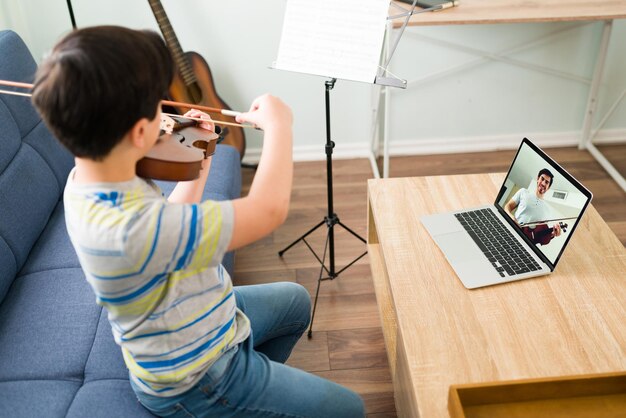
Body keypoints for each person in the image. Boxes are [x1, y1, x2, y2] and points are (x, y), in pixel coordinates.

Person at [32, 26, 365, 418]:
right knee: (350, 409)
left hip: (205, 314)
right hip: (198, 377)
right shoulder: (130, 230)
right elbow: (267, 211)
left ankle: (259, 403)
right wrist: (280, 127)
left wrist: (202, 155)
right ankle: (239, 400)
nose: (165, 117)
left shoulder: (90, 176)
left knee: (294, 303)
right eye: (158, 109)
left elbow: (170, 219)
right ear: (139, 132)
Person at [504, 168, 561, 239]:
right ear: (537, 179)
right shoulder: (523, 192)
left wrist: (552, 234)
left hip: (526, 241)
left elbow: (540, 236)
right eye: (542, 179)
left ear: (548, 187)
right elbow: (507, 206)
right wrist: (511, 217)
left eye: (546, 182)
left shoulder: (548, 211)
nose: (543, 183)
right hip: (511, 229)